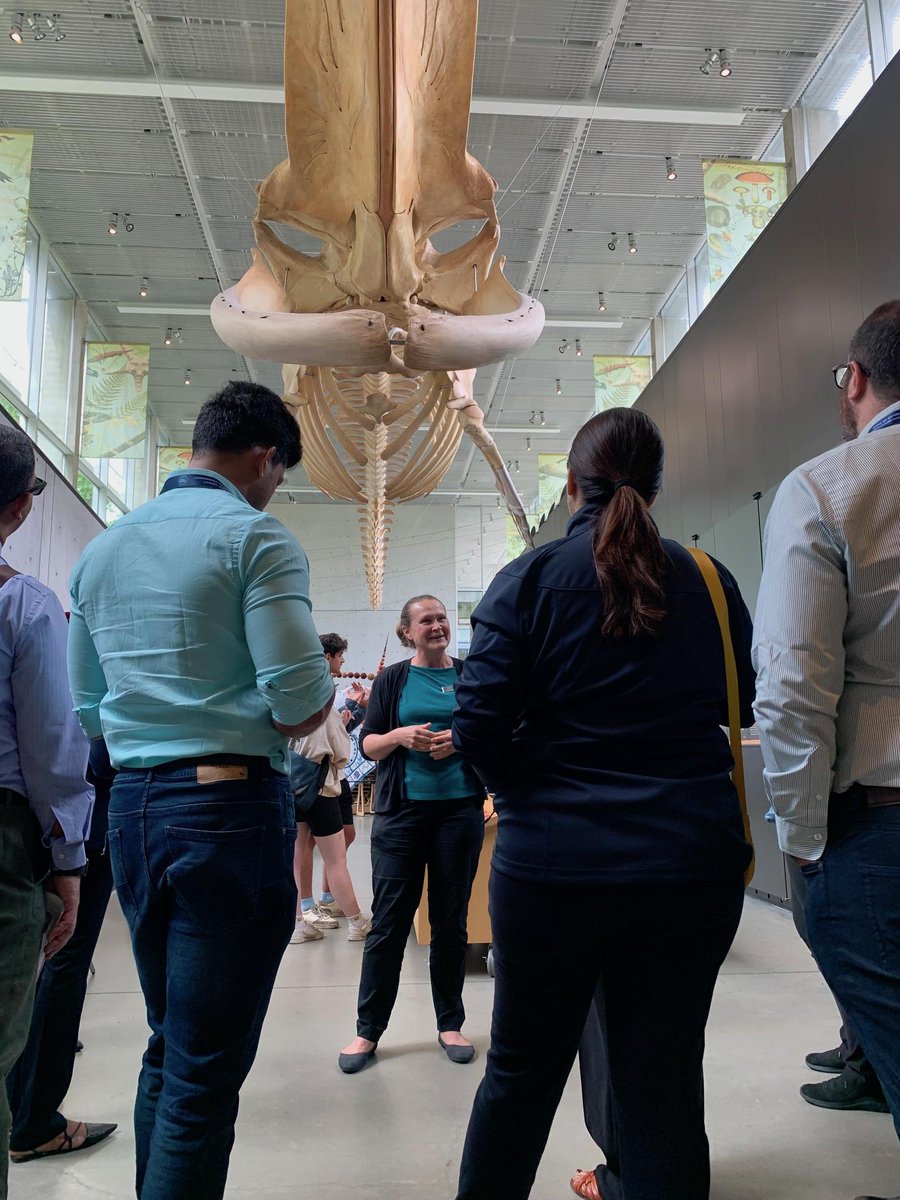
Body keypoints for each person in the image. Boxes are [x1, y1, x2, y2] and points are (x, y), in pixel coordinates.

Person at [452, 407, 754, 1200]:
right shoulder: (711, 582)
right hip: (689, 862)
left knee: (519, 1076)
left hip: (552, 865)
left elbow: (476, 724)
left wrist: (522, 790)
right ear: (656, 487)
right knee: (661, 1084)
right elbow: (742, 702)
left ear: (573, 483)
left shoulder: (526, 581)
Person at [67, 381, 334, 1200]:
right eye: (280, 473)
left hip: (135, 809)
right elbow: (299, 700)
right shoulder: (257, 539)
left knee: (170, 1043)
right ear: (263, 458)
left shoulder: (102, 549)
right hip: (225, 809)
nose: (275, 486)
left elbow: (88, 708)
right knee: (204, 1076)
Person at [753, 300, 900, 1200]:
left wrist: (803, 838)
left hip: (877, 825)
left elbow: (795, 684)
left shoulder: (828, 487)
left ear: (855, 379)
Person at [0, 425, 100, 1198]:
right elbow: (52, 750)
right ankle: (29, 1123)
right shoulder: (26, 606)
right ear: (19, 511)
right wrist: (69, 863)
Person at [338, 596, 485, 1074]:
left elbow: (492, 733)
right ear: (408, 632)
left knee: (450, 920)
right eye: (427, 620)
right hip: (402, 816)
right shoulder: (393, 679)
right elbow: (369, 743)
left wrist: (459, 740)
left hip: (459, 813)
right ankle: (367, 1031)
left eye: (442, 618)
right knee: (390, 923)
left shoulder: (470, 675)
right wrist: (401, 736)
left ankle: (450, 1024)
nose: (438, 625)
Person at [8, 740, 120, 1163]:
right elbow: (83, 753)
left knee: (39, 964)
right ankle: (35, 1121)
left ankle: (20, 1109)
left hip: (33, 819)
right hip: (77, 823)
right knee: (63, 963)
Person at [289, 633, 371, 944]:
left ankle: (299, 924)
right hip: (321, 789)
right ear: (325, 658)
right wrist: (345, 722)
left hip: (294, 785)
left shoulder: (292, 696)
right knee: (336, 859)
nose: (343, 663)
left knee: (297, 855)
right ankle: (356, 921)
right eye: (339, 657)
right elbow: (340, 751)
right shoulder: (321, 698)